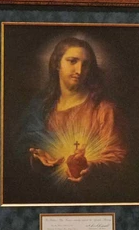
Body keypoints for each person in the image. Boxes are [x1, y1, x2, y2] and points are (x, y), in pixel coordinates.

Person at [23, 36, 125, 184]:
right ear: (57, 63)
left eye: (86, 64)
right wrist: (39, 157)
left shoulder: (104, 110)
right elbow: (22, 147)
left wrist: (90, 166)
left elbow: (117, 157)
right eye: (72, 61)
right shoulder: (42, 108)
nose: (79, 70)